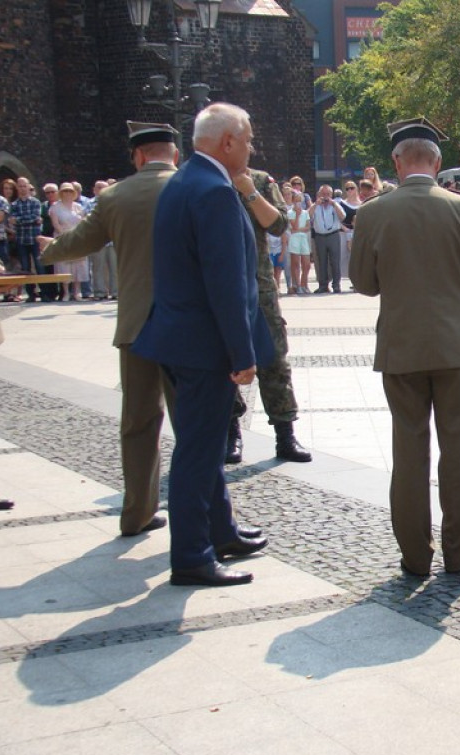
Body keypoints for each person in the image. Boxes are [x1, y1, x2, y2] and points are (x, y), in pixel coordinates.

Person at [38, 122, 234, 538]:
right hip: (188, 329)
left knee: (139, 424)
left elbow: (80, 242)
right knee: (196, 429)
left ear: (139, 157)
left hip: (136, 327)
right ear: (175, 154)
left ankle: (137, 513)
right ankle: (209, 521)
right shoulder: (194, 188)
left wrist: (50, 250)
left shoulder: (114, 196)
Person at [132, 104, 274, 587]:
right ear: (228, 141)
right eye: (249, 139)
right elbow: (226, 283)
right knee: (198, 451)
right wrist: (243, 354)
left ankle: (221, 531)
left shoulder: (186, 180)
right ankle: (192, 555)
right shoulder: (213, 191)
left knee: (206, 443)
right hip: (204, 345)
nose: (252, 148)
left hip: (179, 338)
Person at [350, 117, 460, 578]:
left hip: (401, 346)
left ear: (395, 161)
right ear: (438, 162)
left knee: (409, 455)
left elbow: (363, 284)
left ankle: (415, 557)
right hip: (456, 346)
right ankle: (459, 554)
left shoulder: (373, 212)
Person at [226, 168, 312, 464]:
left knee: (274, 359)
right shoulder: (204, 178)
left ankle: (285, 434)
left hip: (259, 285)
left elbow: (278, 224)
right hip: (218, 287)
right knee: (223, 362)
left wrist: (249, 190)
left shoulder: (260, 181)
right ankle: (230, 432)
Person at [49, 183, 88, 300]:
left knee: (78, 264)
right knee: (64, 265)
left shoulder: (78, 207)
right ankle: (66, 292)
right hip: (63, 237)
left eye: (70, 191)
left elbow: (83, 222)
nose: (68, 193)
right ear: (61, 193)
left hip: (77, 237)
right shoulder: (55, 207)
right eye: (65, 191)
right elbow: (55, 224)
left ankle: (77, 291)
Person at [309, 184, 345, 294]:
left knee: (335, 261)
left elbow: (343, 216)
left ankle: (336, 285)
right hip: (320, 236)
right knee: (322, 262)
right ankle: (323, 285)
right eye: (323, 194)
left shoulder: (335, 205)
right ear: (319, 194)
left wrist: (333, 204)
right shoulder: (315, 206)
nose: (325, 197)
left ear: (331, 195)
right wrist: (315, 205)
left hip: (333, 235)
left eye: (328, 194)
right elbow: (308, 216)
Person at [287, 192, 312, 294]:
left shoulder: (305, 213)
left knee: (306, 264)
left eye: (299, 201)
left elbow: (307, 227)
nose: (298, 203)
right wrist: (297, 215)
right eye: (296, 201)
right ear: (293, 202)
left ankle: (304, 283)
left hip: (303, 238)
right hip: (294, 239)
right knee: (296, 263)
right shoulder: (290, 213)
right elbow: (294, 227)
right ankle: (297, 285)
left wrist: (299, 229)